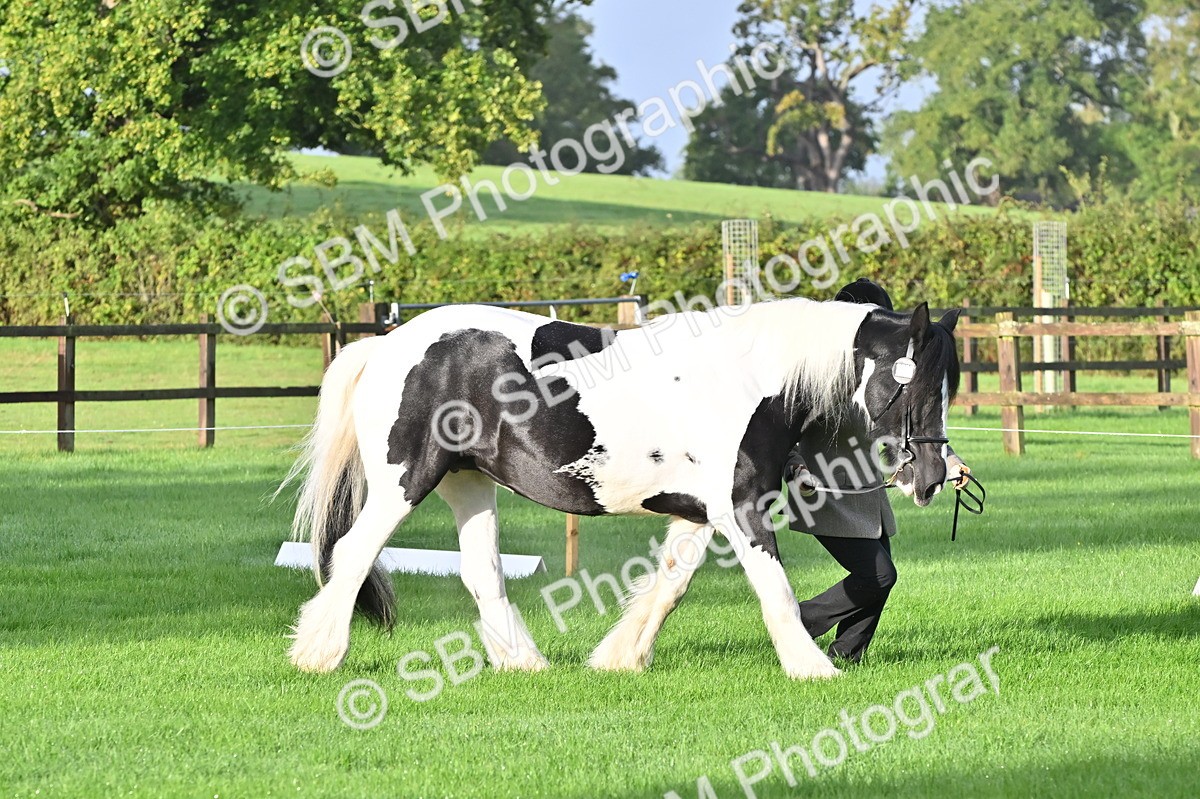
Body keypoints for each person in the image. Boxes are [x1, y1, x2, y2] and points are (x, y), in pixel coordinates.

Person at [784, 278, 972, 664]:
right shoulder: (817, 372)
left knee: (879, 581)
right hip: (825, 494)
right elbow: (782, 434)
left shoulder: (883, 375)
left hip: (868, 496)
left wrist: (949, 461)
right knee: (879, 576)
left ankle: (847, 656)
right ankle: (793, 624)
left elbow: (910, 424)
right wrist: (795, 469)